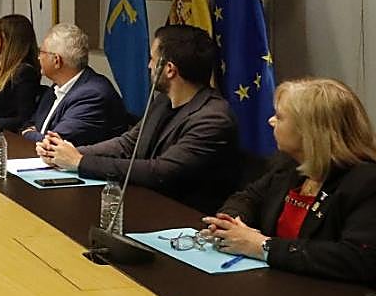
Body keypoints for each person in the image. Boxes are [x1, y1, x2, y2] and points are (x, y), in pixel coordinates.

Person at [38, 24, 241, 214]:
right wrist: (65, 153)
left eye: (152, 59)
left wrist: (81, 162)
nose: (148, 65)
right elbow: (128, 143)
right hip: (146, 204)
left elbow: (161, 172)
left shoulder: (213, 118)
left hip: (183, 219)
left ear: (169, 69)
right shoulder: (163, 101)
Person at [202, 78, 376, 282]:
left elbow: (357, 259)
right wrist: (231, 223)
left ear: (309, 131)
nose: (271, 121)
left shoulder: (365, 182)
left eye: (279, 116)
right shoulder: (289, 165)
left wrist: (263, 246)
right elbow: (247, 198)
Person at [21, 22, 131, 145]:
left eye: (41, 52)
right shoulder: (56, 87)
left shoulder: (93, 95)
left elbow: (55, 144)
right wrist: (34, 133)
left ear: (56, 60)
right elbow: (30, 123)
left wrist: (29, 134)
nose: (38, 58)